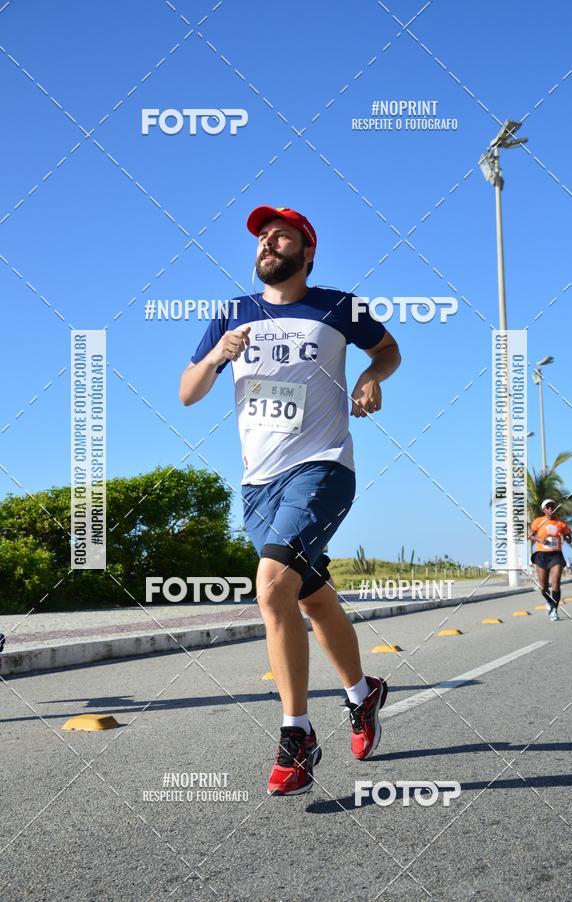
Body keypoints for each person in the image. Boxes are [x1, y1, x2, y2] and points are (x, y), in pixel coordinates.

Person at [179, 206, 401, 795]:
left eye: (281, 236)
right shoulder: (233, 315)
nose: (267, 243)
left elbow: (388, 350)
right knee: (311, 597)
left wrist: (371, 376)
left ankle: (296, 736)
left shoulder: (339, 306)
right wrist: (216, 356)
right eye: (262, 237)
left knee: (273, 583)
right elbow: (187, 392)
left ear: (308, 251)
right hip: (258, 484)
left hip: (322, 467)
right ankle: (363, 694)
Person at [528, 499, 572, 621]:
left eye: (552, 506)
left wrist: (567, 538)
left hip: (556, 555)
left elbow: (569, 537)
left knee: (556, 584)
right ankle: (549, 602)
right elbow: (529, 535)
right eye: (548, 507)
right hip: (541, 555)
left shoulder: (561, 523)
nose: (550, 509)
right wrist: (539, 539)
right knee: (543, 587)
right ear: (544, 510)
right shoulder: (538, 521)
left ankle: (554, 610)